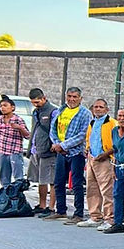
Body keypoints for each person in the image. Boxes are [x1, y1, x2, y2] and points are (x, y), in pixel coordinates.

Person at [45, 87, 92, 224]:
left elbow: (83, 135)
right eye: (69, 96)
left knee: (76, 184)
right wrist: (57, 144)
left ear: (80, 99)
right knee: (58, 182)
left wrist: (64, 145)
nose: (71, 99)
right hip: (61, 152)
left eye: (75, 97)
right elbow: (53, 129)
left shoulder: (85, 113)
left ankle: (78, 214)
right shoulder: (61, 110)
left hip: (76, 153)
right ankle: (61, 210)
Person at [79, 99, 117, 230]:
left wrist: (106, 154)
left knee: (107, 190)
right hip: (92, 158)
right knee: (92, 188)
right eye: (96, 107)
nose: (98, 109)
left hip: (105, 159)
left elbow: (116, 144)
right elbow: (90, 138)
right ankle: (95, 216)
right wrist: (88, 149)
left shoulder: (112, 123)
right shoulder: (93, 122)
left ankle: (109, 218)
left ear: (107, 109)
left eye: (101, 107)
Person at [28, 88, 58, 217]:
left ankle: (51, 207)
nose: (36, 104)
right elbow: (34, 130)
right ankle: (42, 205)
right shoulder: (36, 112)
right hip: (37, 149)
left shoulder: (53, 111)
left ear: (44, 98)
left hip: (49, 150)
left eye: (37, 102)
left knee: (51, 179)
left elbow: (55, 130)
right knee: (41, 180)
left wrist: (53, 144)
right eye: (33, 102)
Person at [0, 97, 30, 186]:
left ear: (12, 107)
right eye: (1, 106)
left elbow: (27, 135)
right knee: (4, 177)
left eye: (5, 105)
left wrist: (19, 128)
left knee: (18, 177)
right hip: (2, 152)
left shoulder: (18, 120)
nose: (2, 108)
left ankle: (17, 197)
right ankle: (5, 197)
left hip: (15, 152)